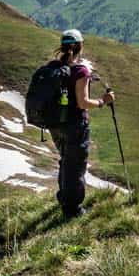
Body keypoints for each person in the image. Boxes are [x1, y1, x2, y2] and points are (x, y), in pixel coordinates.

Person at [51, 29, 115, 218]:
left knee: (65, 160)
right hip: (75, 125)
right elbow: (83, 103)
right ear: (80, 46)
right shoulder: (80, 71)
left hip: (56, 124)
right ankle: (73, 210)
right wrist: (103, 101)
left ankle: (64, 199)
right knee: (76, 165)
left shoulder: (54, 67)